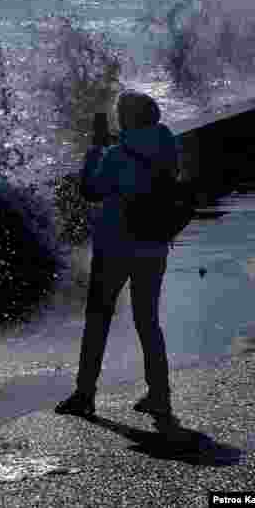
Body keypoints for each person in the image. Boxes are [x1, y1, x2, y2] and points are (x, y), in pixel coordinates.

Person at [54, 90, 180, 420]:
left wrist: (96, 148)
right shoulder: (168, 145)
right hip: (154, 246)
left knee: (97, 321)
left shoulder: (114, 156)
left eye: (120, 112)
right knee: (148, 322)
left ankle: (85, 394)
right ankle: (159, 394)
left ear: (128, 118)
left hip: (115, 248)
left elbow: (90, 190)